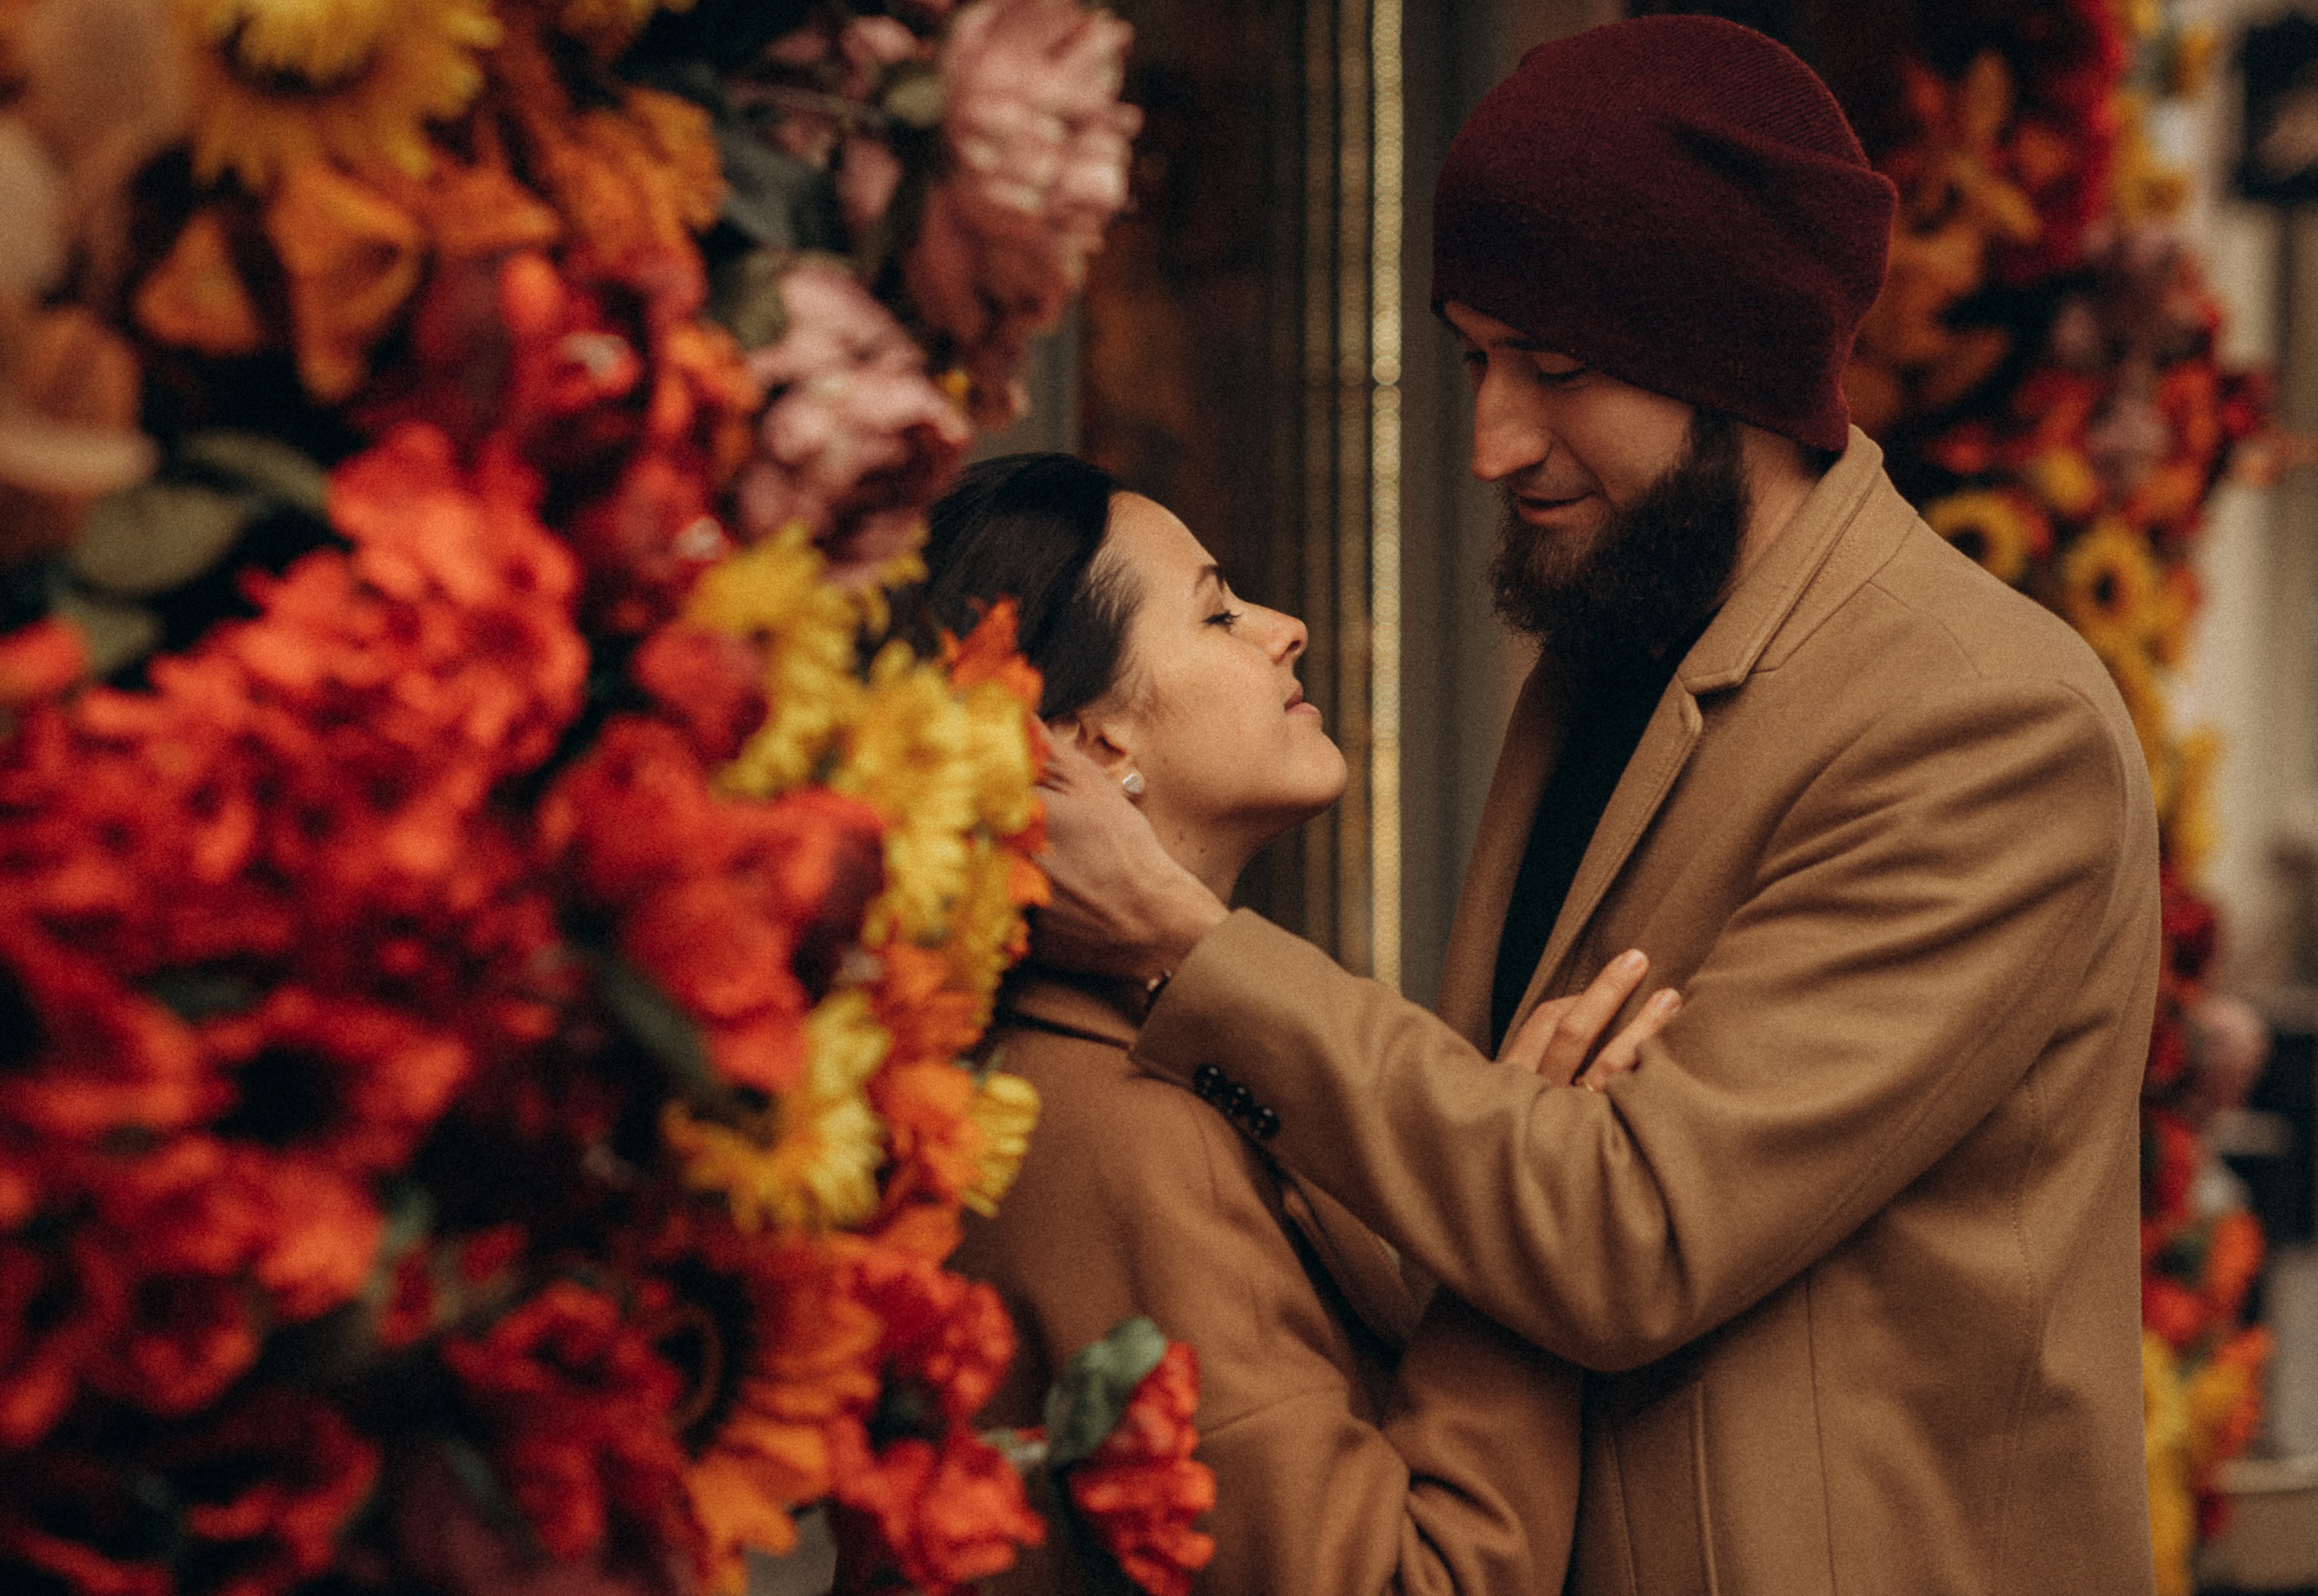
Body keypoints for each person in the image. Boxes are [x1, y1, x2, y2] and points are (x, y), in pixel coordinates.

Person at [1027, 16, 2164, 1596]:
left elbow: (1627, 1234)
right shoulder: (1612, 642)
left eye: (1555, 368)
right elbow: (1491, 1196)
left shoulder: (1981, 721)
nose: (1493, 443)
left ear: (1737, 360)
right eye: (1474, 360)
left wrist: (1181, 944)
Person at [925, 452, 1670, 1594]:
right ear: (1086, 744)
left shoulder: (1130, 1068)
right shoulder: (1129, 1134)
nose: (1288, 627)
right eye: (1217, 612)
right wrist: (1519, 1240)